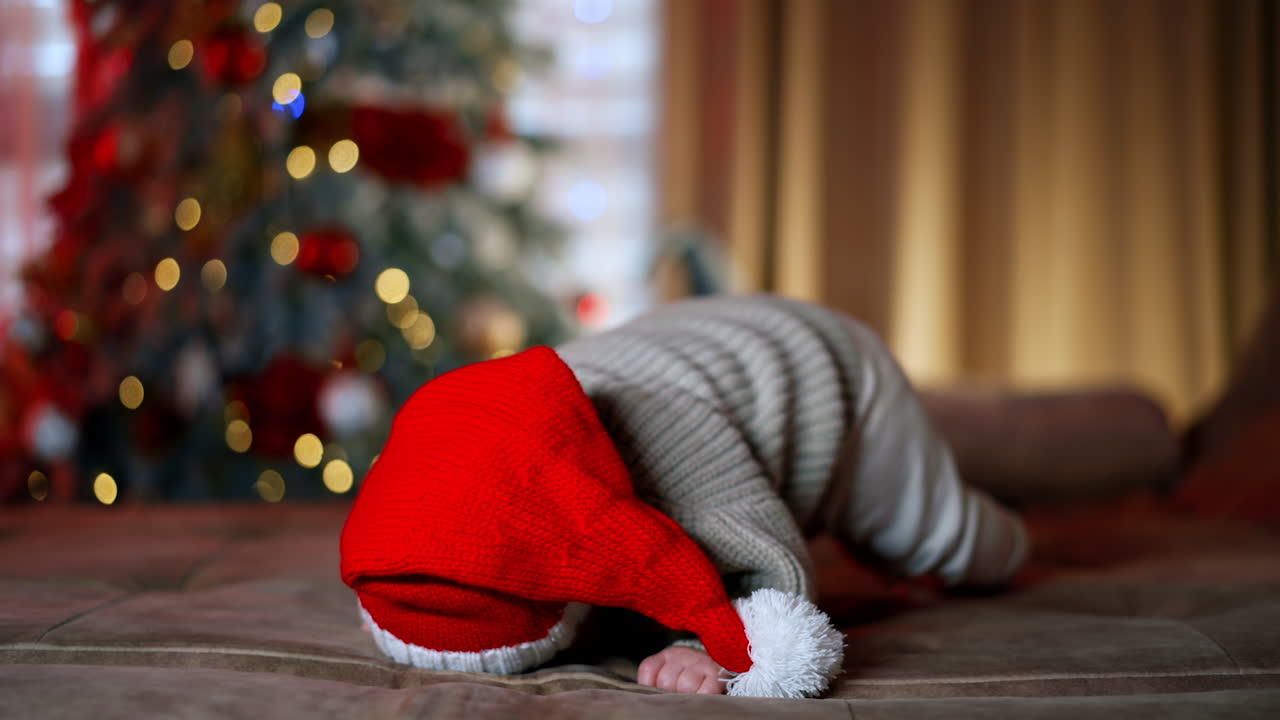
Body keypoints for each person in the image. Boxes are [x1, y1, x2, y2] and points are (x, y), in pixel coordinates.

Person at [339, 294, 1028, 699]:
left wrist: (709, 644)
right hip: (701, 335)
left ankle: (1014, 542)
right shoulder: (487, 434)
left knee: (941, 538)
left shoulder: (675, 467)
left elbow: (772, 558)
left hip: (829, 376)